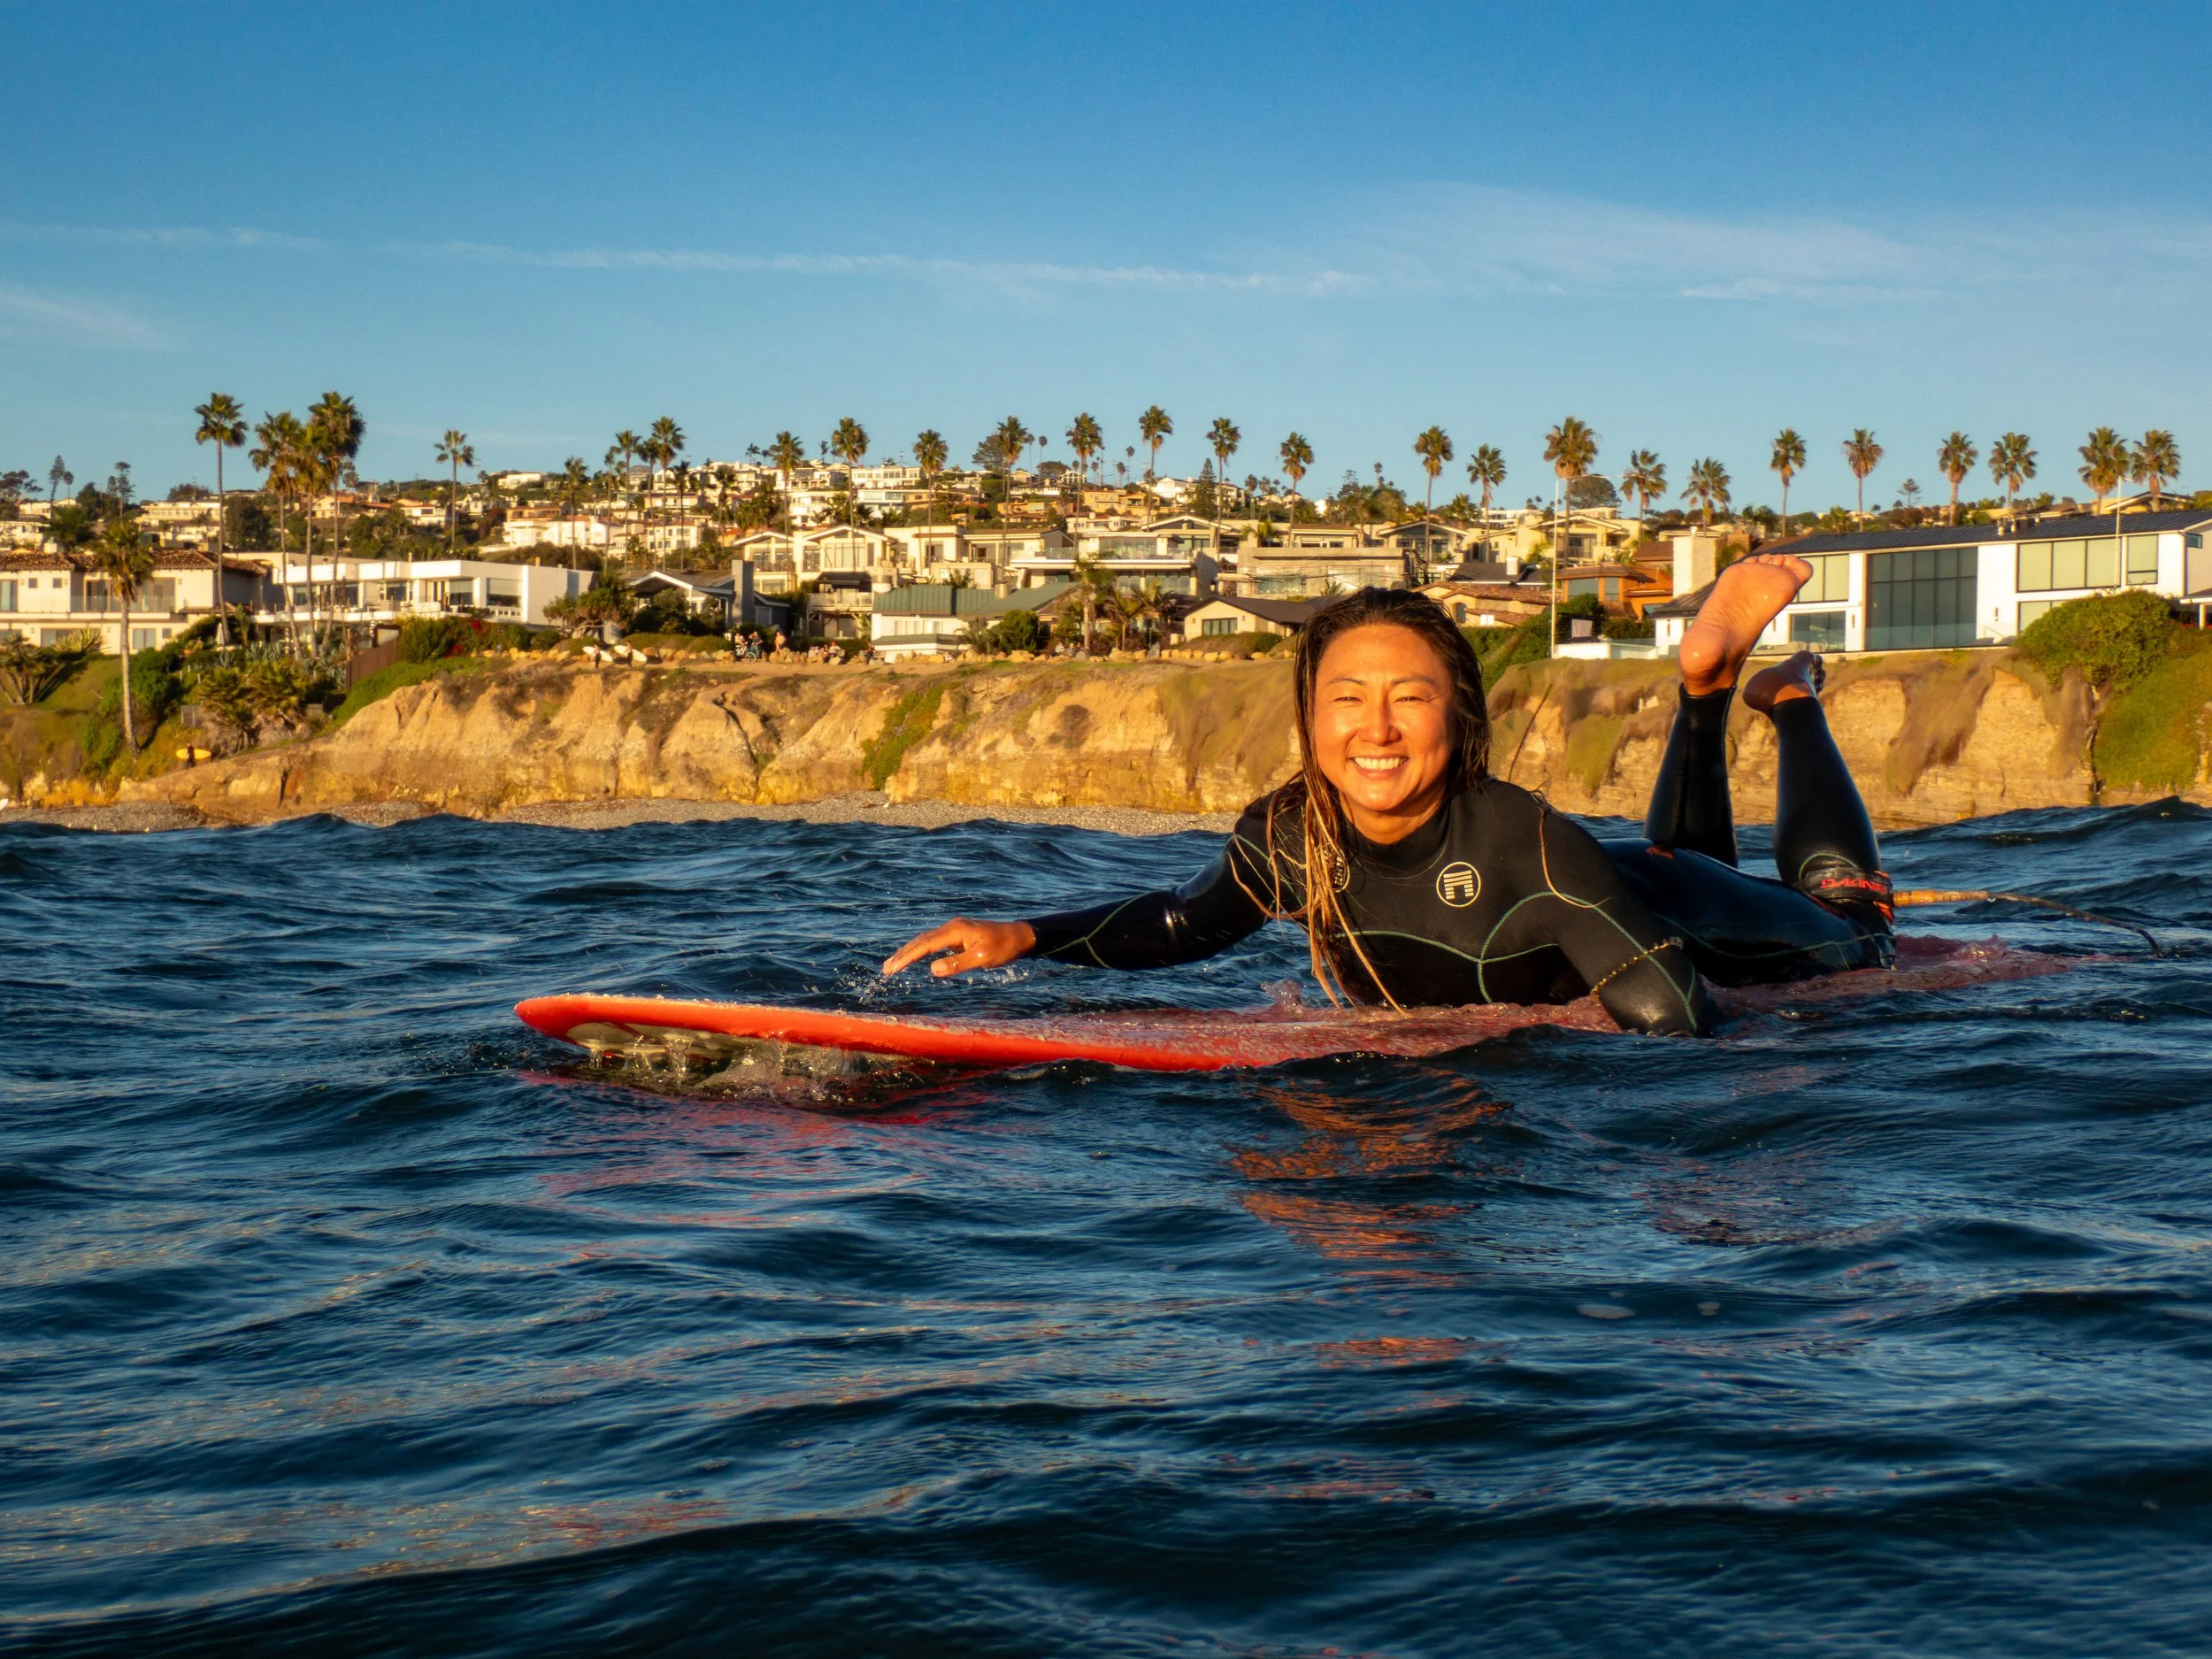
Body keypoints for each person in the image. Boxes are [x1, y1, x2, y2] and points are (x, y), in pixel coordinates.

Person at [883, 556, 1893, 1037]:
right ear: (1309, 719)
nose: (1375, 730)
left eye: (1408, 699)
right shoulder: (1287, 835)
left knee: (1853, 925)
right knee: (1685, 860)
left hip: (1695, 924)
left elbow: (1674, 1015)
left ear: (1456, 720)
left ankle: (1790, 699)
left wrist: (1536, 1033)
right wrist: (1027, 934)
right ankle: (1705, 687)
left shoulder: (1526, 843)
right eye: (1347, 701)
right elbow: (1183, 924)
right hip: (1638, 893)